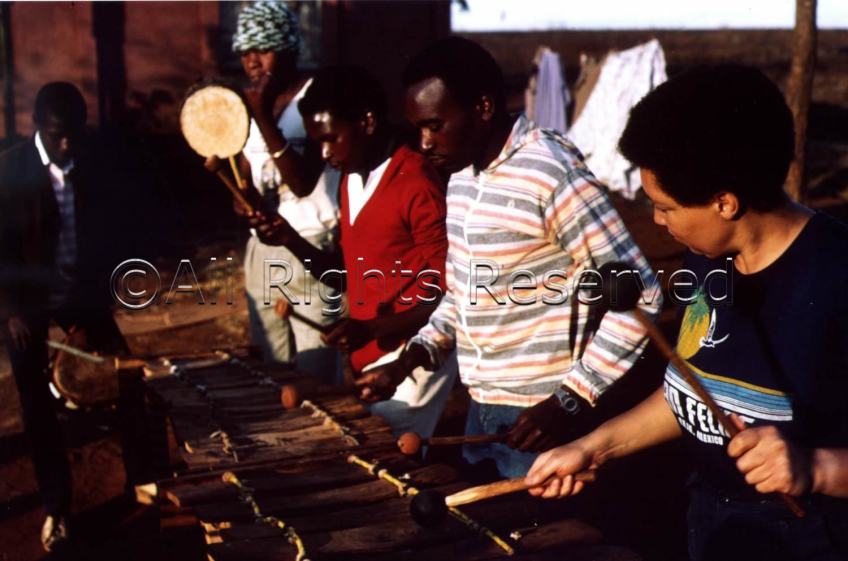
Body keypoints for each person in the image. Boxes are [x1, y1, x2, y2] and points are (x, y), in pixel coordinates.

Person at [525, 65, 848, 561]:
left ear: (725, 202)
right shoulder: (708, 257)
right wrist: (593, 447)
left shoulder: (835, 276)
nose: (655, 220)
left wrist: (816, 467)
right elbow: (695, 391)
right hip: (711, 521)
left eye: (667, 207)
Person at [355, 36, 660, 478]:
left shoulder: (549, 171)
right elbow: (463, 294)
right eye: (418, 127)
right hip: (483, 410)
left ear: (482, 108)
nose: (423, 143)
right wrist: (409, 360)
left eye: (435, 125)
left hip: (544, 422)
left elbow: (640, 294)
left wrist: (570, 399)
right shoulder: (460, 177)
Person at [250, 65, 457, 438]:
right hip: (372, 359)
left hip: (414, 357)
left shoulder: (415, 181)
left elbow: (454, 296)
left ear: (367, 121)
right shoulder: (351, 180)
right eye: (318, 143)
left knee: (390, 463)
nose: (325, 153)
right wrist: (289, 239)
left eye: (331, 138)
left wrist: (374, 327)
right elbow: (343, 274)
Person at [0, 82, 128, 552]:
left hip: (81, 295)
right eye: (58, 136)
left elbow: (107, 234)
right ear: (37, 127)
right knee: (38, 409)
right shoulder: (9, 171)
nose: (68, 144)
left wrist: (94, 304)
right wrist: (11, 311)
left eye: (74, 133)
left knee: (127, 376)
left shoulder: (93, 161)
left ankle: (143, 484)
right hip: (24, 303)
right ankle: (58, 510)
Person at [214, 1, 341, 381]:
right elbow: (251, 182)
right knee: (273, 375)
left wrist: (264, 115)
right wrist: (241, 200)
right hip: (262, 253)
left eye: (263, 49)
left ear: (288, 48)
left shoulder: (318, 96)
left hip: (311, 249)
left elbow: (302, 184)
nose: (252, 61)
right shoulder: (253, 102)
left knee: (315, 374)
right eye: (244, 52)